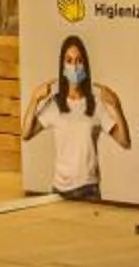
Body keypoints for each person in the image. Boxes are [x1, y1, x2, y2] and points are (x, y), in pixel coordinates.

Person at [22, 35, 128, 200]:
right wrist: (35, 99)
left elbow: (124, 141)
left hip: (89, 189)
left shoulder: (95, 104)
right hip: (59, 191)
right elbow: (26, 134)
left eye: (79, 61)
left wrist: (116, 106)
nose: (75, 66)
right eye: (69, 61)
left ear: (85, 66)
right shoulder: (55, 104)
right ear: (63, 67)